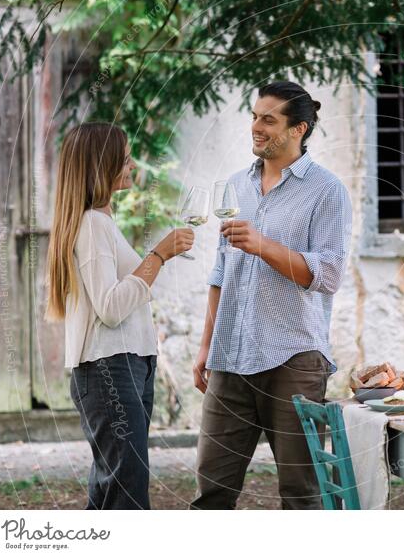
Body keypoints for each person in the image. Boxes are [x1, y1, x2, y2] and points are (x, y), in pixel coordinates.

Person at [190, 81, 352, 510]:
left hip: (294, 358)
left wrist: (263, 245)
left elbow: (329, 274)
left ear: (298, 128)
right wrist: (206, 345)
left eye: (268, 119)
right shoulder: (236, 186)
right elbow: (221, 273)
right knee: (211, 492)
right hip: (230, 357)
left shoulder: (326, 190)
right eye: (254, 116)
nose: (256, 127)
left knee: (302, 494)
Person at [45, 122, 194, 509]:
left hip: (127, 365)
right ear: (102, 165)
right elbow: (110, 308)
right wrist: (158, 256)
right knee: (126, 494)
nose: (131, 165)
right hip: (110, 367)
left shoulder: (101, 221)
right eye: (124, 158)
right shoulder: (92, 224)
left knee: (114, 488)